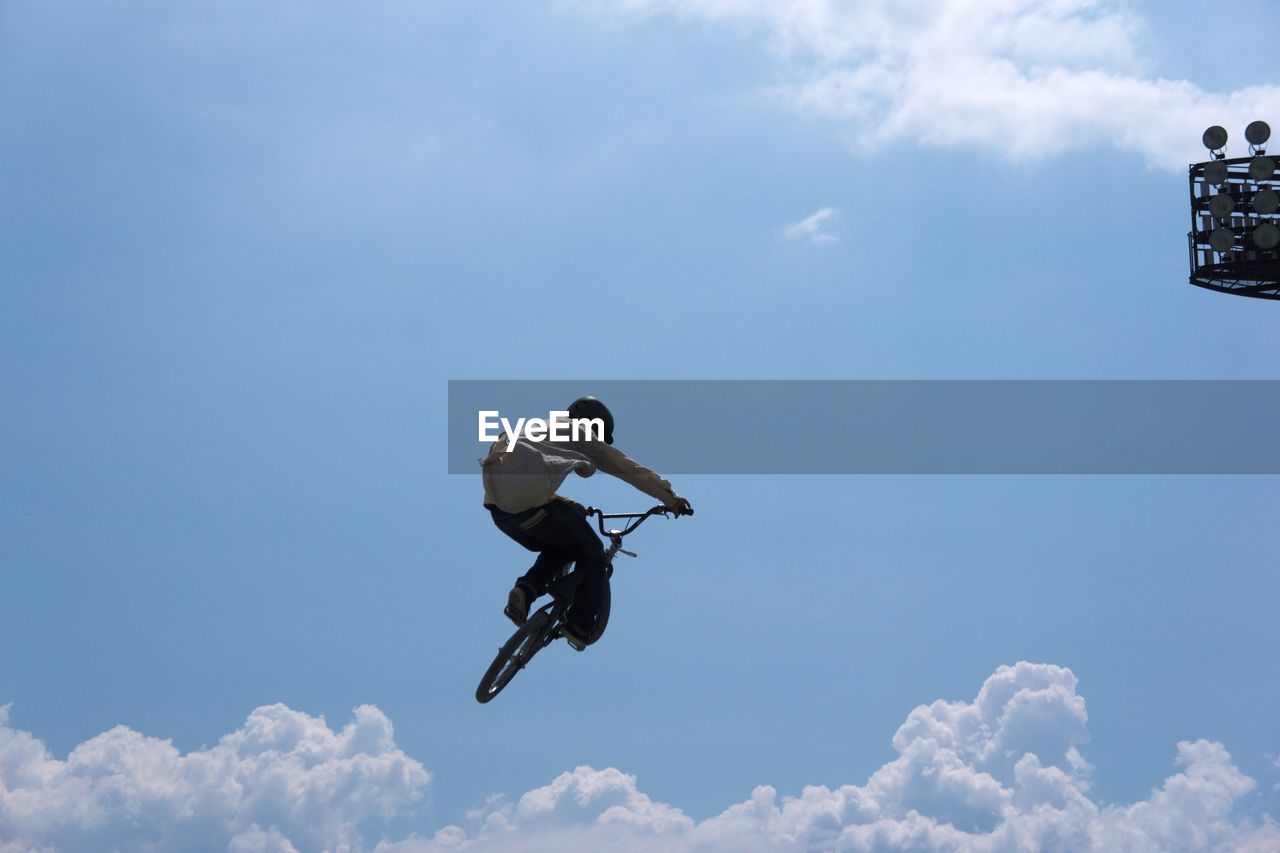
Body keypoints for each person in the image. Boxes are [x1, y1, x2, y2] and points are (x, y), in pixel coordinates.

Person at [481, 396, 693, 650]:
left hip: (501, 512)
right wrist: (670, 497)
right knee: (593, 555)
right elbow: (624, 466)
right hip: (528, 502)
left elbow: (517, 478)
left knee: (560, 546)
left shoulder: (532, 429)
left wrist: (565, 503)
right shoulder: (579, 430)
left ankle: (525, 591)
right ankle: (579, 626)